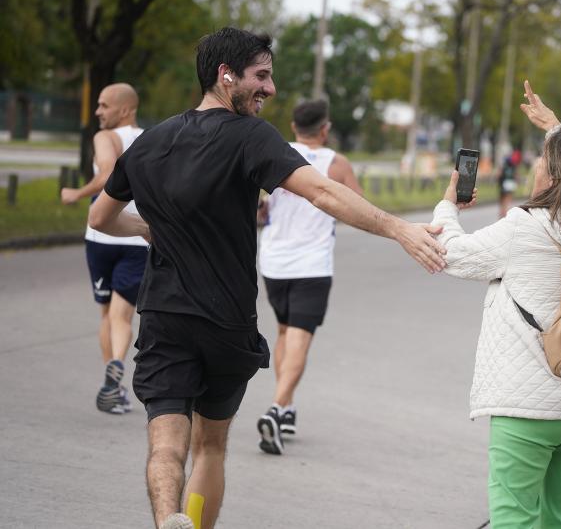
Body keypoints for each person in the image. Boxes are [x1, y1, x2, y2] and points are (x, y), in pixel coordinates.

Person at [88, 27, 446, 529]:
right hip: (224, 322)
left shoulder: (152, 142)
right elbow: (322, 193)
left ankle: (169, 518)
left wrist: (147, 229)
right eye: (262, 76)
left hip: (165, 316)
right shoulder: (250, 136)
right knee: (210, 446)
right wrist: (398, 229)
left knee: (166, 446)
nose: (271, 89)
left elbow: (100, 218)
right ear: (225, 74)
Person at [430, 80, 561, 528]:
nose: (536, 164)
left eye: (543, 159)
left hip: (532, 407)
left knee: (514, 519)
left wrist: (447, 209)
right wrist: (555, 127)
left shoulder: (525, 226)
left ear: (553, 177)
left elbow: (452, 255)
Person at [255, 99, 363, 455]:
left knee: (285, 331)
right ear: (325, 128)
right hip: (311, 265)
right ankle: (275, 408)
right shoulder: (336, 163)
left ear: (292, 125)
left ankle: (284, 408)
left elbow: (257, 206)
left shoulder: (277, 153)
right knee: (299, 339)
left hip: (273, 262)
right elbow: (357, 208)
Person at [61, 83, 146, 414]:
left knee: (106, 313)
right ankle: (115, 377)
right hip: (137, 237)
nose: (98, 112)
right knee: (121, 314)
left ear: (124, 110)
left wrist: (77, 194)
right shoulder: (151, 140)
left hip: (101, 237)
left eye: (103, 105)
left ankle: (113, 382)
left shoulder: (104, 138)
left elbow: (109, 172)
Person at [498, 148, 521, 217]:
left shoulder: (504, 164)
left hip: (503, 183)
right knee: (507, 200)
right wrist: (517, 181)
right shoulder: (513, 165)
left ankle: (502, 213)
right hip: (509, 183)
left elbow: (499, 174)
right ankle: (505, 214)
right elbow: (516, 175)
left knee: (503, 200)